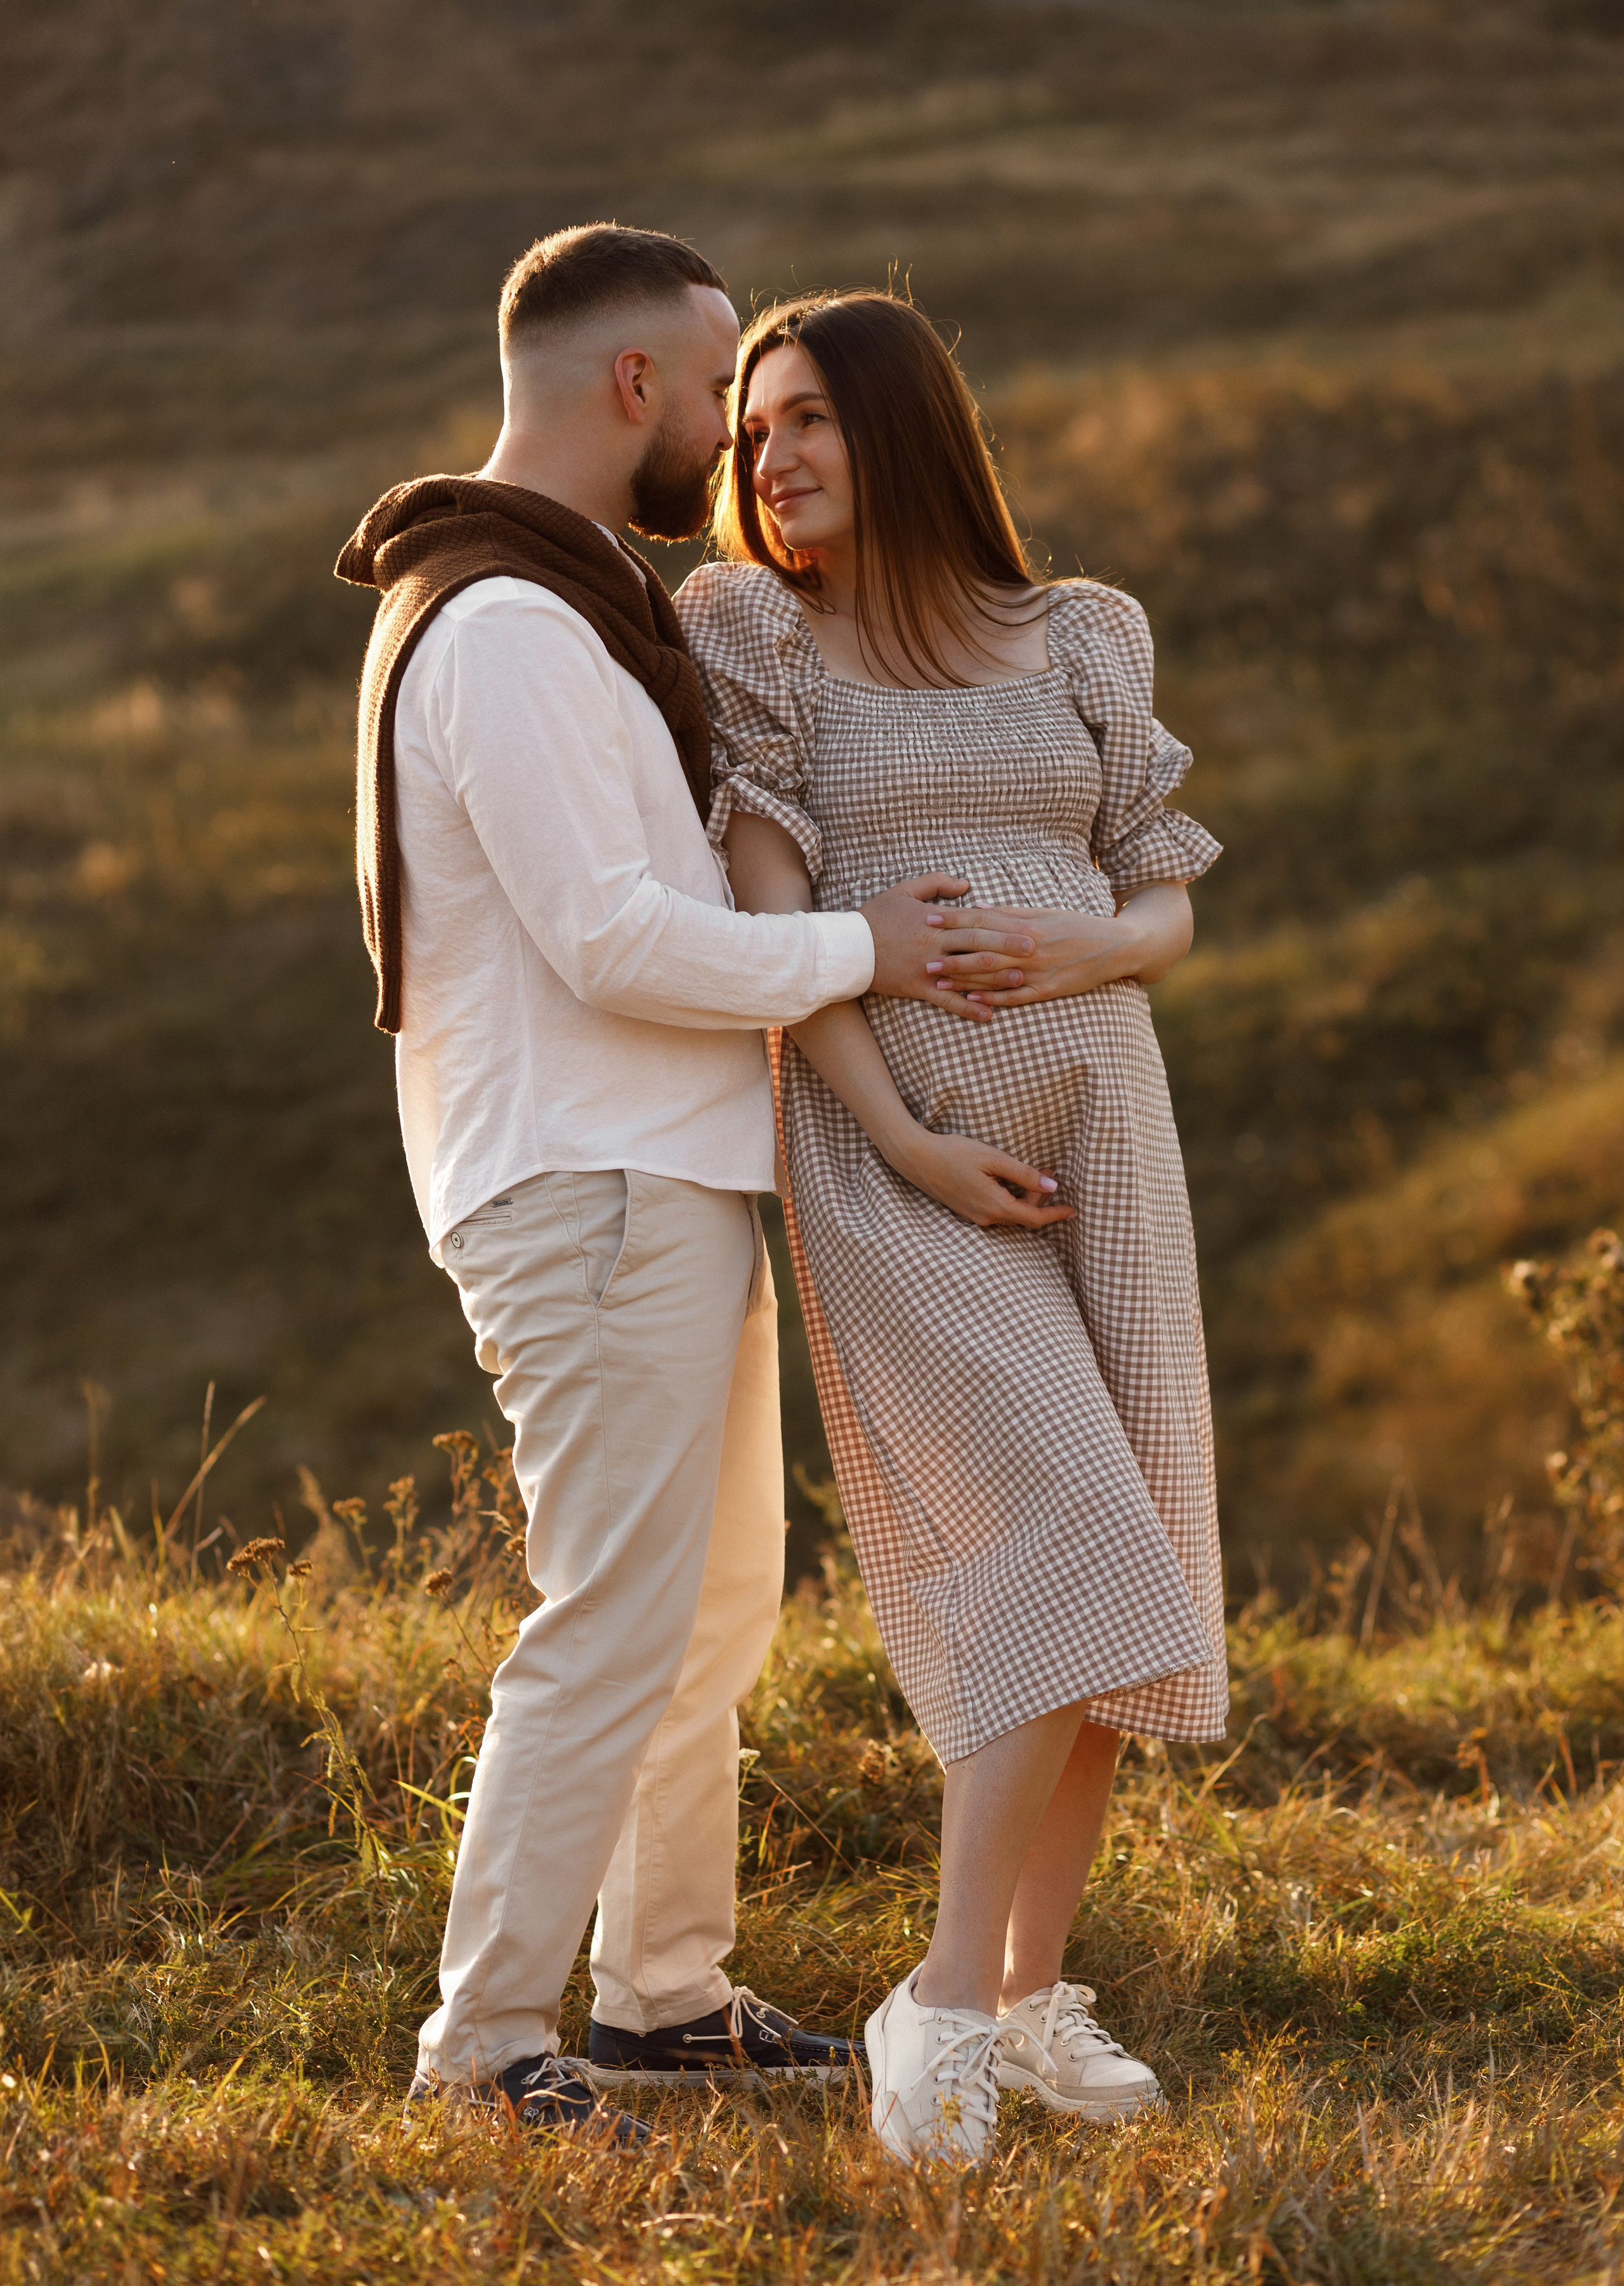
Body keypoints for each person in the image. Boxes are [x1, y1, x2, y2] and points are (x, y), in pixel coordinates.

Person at [333, 228, 1048, 2143]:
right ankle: (485, 2040)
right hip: (590, 1181)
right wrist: (859, 949)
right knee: (614, 1611)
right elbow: (613, 940)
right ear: (635, 385)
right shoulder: (503, 625)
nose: (735, 429)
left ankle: (663, 1995)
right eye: (722, 384)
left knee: (706, 1613)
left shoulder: (554, 610)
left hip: (654, 1174)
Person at [677, 290, 1228, 2163]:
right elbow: (773, 933)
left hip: (1099, 1125)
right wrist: (907, 1140)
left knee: (1129, 1539)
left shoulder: (1083, 631)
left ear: (906, 426)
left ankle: (1031, 1996)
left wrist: (1078, 944)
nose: (771, 460)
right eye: (756, 431)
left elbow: (1159, 901)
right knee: (1063, 1521)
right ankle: (933, 2001)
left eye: (810, 418)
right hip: (894, 1147)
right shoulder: (752, 628)